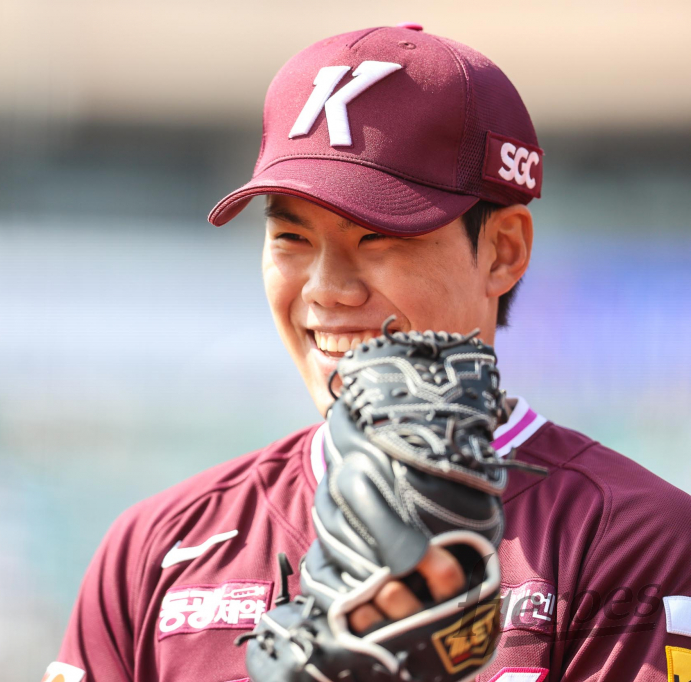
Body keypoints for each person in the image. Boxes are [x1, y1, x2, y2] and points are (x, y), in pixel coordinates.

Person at [44, 24, 691, 682]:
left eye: (379, 237)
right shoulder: (155, 548)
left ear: (503, 251)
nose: (326, 290)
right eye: (292, 238)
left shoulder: (636, 539)